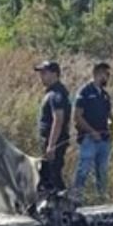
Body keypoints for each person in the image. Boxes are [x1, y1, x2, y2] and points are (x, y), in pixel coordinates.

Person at [72, 62, 113, 202]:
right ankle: (76, 199)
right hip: (89, 139)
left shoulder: (105, 95)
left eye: (108, 75)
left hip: (104, 139)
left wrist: (112, 129)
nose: (108, 77)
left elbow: (109, 115)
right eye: (106, 74)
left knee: (102, 172)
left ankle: (102, 199)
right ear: (97, 74)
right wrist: (91, 132)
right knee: (83, 170)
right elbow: (77, 116)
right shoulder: (85, 92)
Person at [34, 60, 72, 194]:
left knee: (53, 174)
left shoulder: (57, 94)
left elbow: (58, 119)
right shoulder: (52, 92)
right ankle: (52, 206)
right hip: (51, 140)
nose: (41, 76)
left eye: (45, 72)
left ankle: (65, 204)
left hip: (55, 141)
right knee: (47, 175)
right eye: (41, 73)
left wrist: (51, 145)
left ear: (55, 74)